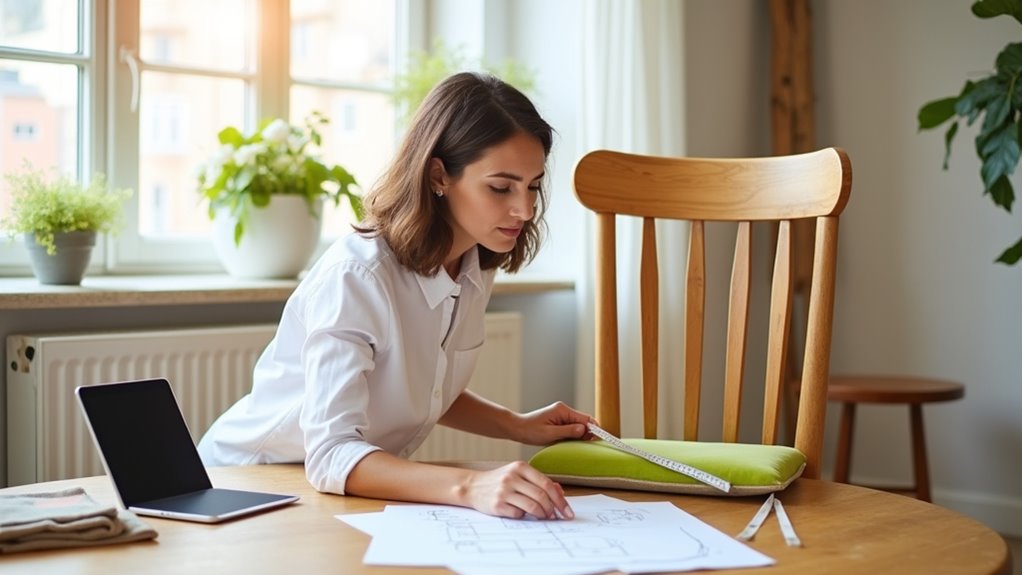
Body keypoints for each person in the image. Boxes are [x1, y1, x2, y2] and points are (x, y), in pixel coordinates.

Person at [198, 71, 594, 521]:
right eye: (501, 187)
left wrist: (517, 425)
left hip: (327, 490)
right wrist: (471, 486)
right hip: (245, 485)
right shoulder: (357, 277)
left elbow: (423, 385)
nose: (524, 209)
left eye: (533, 185)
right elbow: (330, 454)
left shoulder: (475, 264)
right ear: (439, 175)